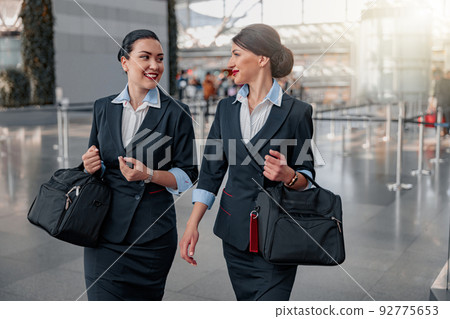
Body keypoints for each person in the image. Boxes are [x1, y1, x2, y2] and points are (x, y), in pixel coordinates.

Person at [179, 24, 315, 301]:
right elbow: (211, 172)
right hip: (235, 235)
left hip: (278, 236)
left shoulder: (297, 113)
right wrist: (193, 223)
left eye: (237, 54)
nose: (230, 63)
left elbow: (307, 177)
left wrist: (289, 175)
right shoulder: (225, 110)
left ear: (262, 58)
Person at [82, 29, 198, 301]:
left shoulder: (176, 112)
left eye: (159, 59)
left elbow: (188, 174)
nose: (154, 66)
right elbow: (95, 164)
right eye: (145, 57)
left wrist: (149, 174)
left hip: (152, 238)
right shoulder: (103, 108)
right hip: (103, 233)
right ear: (125, 62)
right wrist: (88, 165)